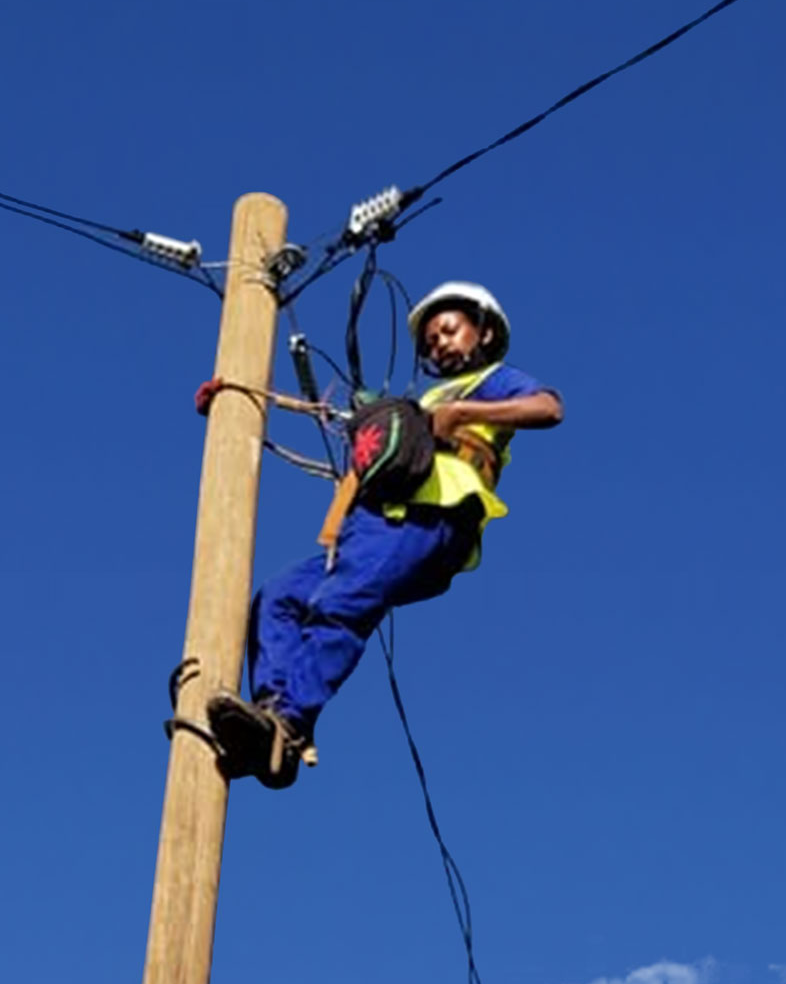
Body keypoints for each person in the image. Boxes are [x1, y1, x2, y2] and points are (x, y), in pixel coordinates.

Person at [206, 282, 563, 788]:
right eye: (431, 338)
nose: (438, 342)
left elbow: (548, 407)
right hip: (375, 524)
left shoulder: (490, 380)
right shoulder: (423, 401)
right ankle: (269, 719)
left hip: (434, 515)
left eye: (449, 329)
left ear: (482, 333)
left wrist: (464, 413)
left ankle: (291, 721)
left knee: (344, 600)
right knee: (280, 597)